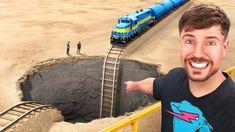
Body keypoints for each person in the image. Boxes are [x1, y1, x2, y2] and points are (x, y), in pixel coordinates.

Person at [125, 4, 235, 132]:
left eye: (210, 43)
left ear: (224, 48)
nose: (198, 53)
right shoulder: (173, 79)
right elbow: (153, 85)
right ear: (180, 43)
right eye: (189, 41)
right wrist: (136, 84)